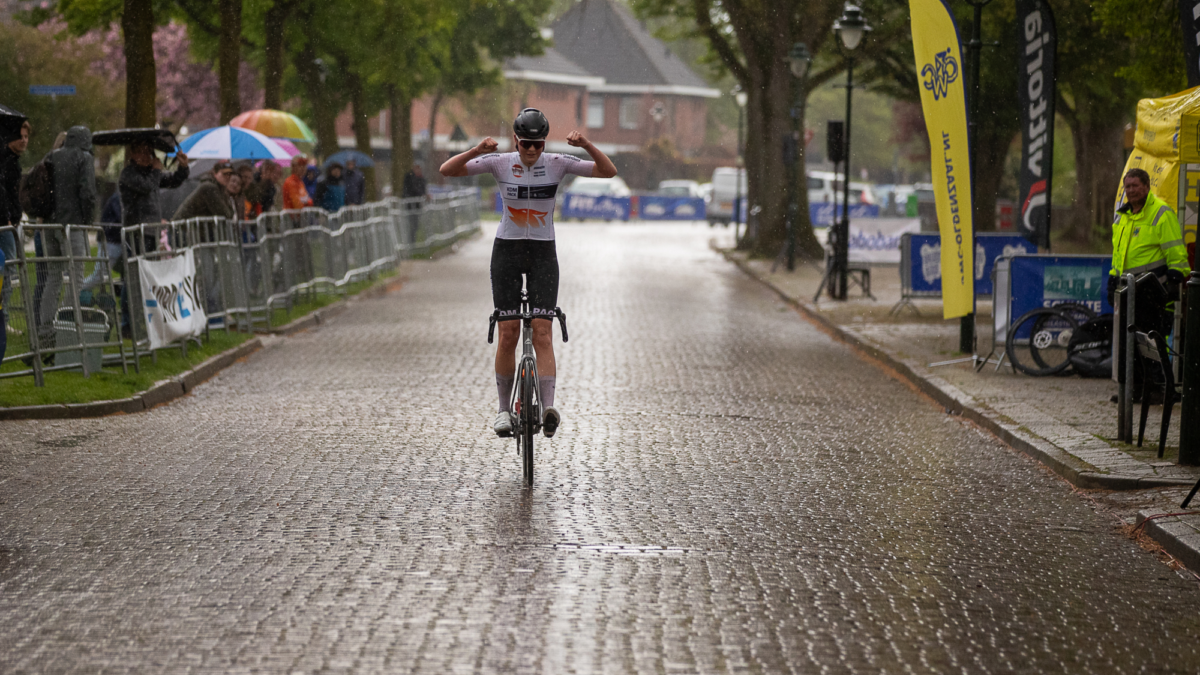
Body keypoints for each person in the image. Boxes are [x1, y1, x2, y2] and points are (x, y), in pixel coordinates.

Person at [439, 107, 617, 438]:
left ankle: (548, 408)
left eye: (538, 145)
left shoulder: (559, 163)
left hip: (542, 253)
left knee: (542, 331)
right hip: (506, 251)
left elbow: (609, 171)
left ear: (545, 144)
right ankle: (503, 411)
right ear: (516, 141)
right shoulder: (500, 162)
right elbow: (447, 170)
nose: (532, 151)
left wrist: (587, 144)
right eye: (525, 144)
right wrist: (478, 150)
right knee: (508, 332)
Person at [1107, 168, 1191, 336]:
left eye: (1135, 185)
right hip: (1126, 293)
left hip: (1152, 295)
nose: (1131, 190)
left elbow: (1176, 251)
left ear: (1146, 187)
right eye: (1127, 186)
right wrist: (1113, 278)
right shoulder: (1121, 216)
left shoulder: (1161, 212)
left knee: (1151, 351)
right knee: (1126, 349)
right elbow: (1118, 254)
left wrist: (1174, 280)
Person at [118, 141, 189, 335]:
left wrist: (182, 167)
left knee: (146, 277)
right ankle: (127, 323)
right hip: (136, 231)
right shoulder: (129, 174)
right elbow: (147, 186)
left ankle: (142, 319)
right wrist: (157, 171)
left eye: (148, 151)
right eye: (140, 151)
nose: (145, 155)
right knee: (132, 276)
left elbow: (173, 180)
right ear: (132, 153)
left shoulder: (151, 173)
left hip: (150, 231)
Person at [35, 125, 97, 346]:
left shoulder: (52, 155)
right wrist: (88, 220)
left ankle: (45, 331)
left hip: (49, 224)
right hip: (72, 224)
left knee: (53, 277)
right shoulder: (84, 157)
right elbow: (88, 192)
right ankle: (65, 325)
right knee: (76, 276)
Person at [0, 119, 27, 340]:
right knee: (8, 268)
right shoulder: (5, 161)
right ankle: (3, 316)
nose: (24, 141)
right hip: (5, 222)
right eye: (21, 136)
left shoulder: (12, 162)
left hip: (9, 220)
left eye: (27, 137)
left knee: (8, 269)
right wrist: (8, 217)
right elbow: (4, 192)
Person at [401, 162, 428, 245]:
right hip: (410, 205)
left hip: (417, 206)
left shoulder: (422, 178)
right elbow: (410, 189)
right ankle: (409, 243)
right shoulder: (409, 177)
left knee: (415, 225)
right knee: (409, 224)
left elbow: (423, 189)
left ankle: (413, 242)